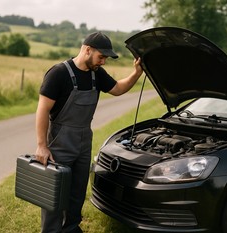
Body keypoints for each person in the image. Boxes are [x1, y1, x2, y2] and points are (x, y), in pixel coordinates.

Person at [35, 31, 143, 233]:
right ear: (87, 50)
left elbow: (118, 89)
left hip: (84, 140)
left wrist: (136, 73)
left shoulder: (96, 74)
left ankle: (71, 228)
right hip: (60, 142)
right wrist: (42, 145)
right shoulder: (58, 73)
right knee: (56, 192)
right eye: (101, 56)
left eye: (105, 59)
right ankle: (51, 230)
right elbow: (43, 109)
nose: (103, 62)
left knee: (77, 191)